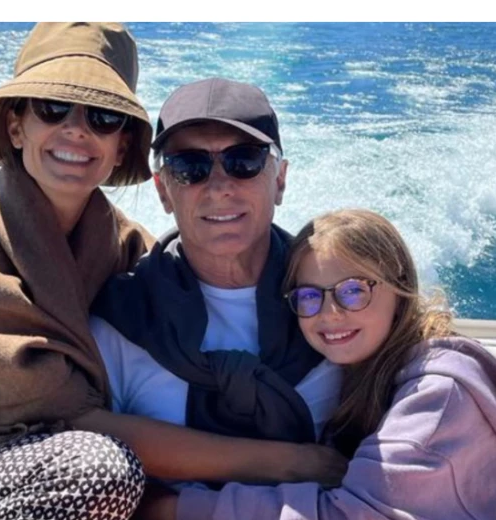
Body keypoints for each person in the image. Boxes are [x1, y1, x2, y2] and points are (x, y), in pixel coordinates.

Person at [0, 28, 345, 520]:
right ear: (16, 127)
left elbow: (181, 267)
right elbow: (75, 419)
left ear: (121, 145)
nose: (76, 130)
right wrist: (292, 463)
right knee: (97, 473)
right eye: (52, 108)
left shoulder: (118, 248)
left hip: (29, 485)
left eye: (102, 116)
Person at [134, 209, 496, 520]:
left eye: (352, 291)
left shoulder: (437, 397)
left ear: (399, 285)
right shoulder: (360, 375)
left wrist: (169, 513)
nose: (330, 314)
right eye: (309, 296)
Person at [89, 78, 345, 466]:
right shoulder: (121, 321)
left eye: (245, 160)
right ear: (163, 191)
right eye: (189, 166)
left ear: (280, 180)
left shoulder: (343, 298)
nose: (220, 186)